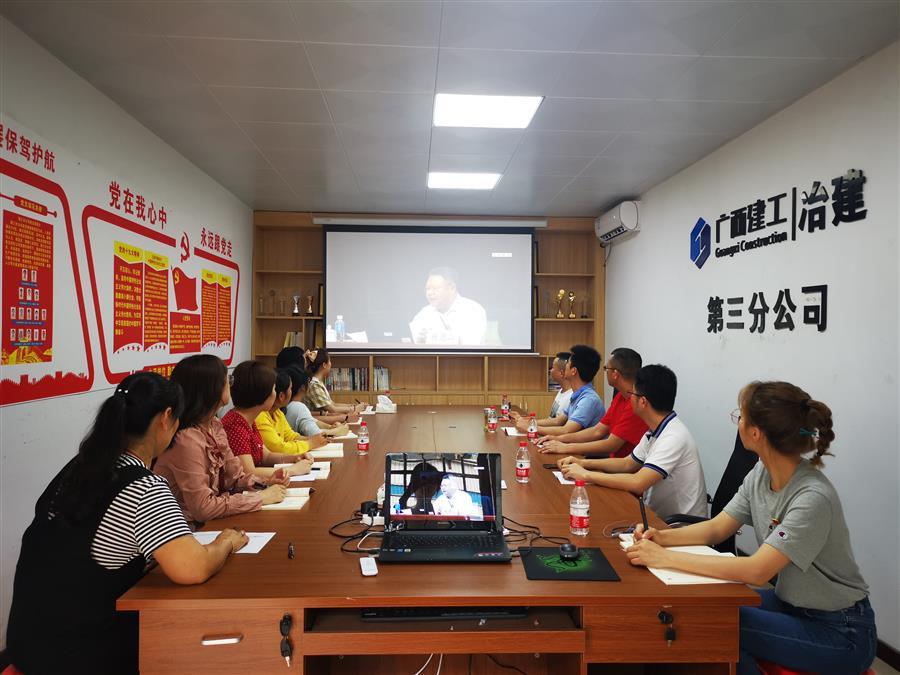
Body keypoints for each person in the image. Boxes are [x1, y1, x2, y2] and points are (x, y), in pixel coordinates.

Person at [626, 381, 876, 675]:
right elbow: (717, 528)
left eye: (740, 416)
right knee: (707, 608)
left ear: (755, 432)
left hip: (841, 631)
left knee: (722, 623)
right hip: (791, 604)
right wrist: (662, 538)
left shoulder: (812, 498)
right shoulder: (761, 472)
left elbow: (757, 571)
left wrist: (664, 558)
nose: (738, 423)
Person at [6, 372, 249, 675]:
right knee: (211, 644)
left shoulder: (78, 468)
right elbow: (193, 568)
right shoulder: (143, 487)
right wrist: (226, 542)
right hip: (84, 654)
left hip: (28, 643)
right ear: (166, 418)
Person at [558, 365, 707, 519]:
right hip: (654, 516)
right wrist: (582, 463)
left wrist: (586, 475)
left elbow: (638, 482)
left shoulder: (673, 437)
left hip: (677, 525)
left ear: (642, 402)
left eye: (632, 394)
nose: (630, 399)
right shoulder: (654, 430)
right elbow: (627, 463)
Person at [154, 355, 288, 525]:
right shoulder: (186, 439)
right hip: (186, 529)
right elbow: (203, 508)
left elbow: (235, 478)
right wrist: (260, 498)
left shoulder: (214, 425)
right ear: (212, 389)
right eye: (227, 380)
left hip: (210, 523)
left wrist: (265, 483)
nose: (230, 384)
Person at [538, 347, 648, 457]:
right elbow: (597, 431)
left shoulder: (635, 403)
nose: (605, 372)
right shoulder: (620, 397)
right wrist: (558, 439)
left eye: (606, 368)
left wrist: (565, 446)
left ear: (615, 374)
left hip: (620, 464)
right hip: (613, 461)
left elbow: (611, 445)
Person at [222, 360, 314, 480]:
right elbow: (248, 472)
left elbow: (266, 456)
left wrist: (294, 458)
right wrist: (292, 470)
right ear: (262, 393)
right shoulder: (235, 425)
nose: (276, 394)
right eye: (274, 389)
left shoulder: (248, 420)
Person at [516, 344, 605, 437]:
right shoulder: (578, 394)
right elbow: (558, 421)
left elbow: (566, 430)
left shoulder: (588, 400)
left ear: (573, 371)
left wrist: (530, 427)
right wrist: (529, 422)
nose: (565, 366)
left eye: (567, 363)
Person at [408, 267, 487, 345]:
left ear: (452, 288)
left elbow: (470, 346)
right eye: (427, 289)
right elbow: (414, 343)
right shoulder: (424, 313)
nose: (430, 293)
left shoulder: (473, 310)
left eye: (435, 288)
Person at [256, 368, 327, 453]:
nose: (292, 392)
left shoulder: (277, 413)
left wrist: (311, 439)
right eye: (290, 388)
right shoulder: (260, 417)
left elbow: (290, 436)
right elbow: (279, 448)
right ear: (281, 396)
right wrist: (310, 443)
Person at [277, 346, 352, 425]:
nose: (306, 365)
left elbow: (306, 415)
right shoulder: (295, 404)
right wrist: (344, 417)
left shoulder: (291, 406)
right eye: (304, 360)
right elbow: (307, 419)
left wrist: (325, 416)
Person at [282, 365, 348, 439]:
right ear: (303, 387)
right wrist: (337, 431)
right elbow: (316, 435)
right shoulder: (297, 407)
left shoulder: (291, 405)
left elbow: (311, 420)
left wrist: (330, 427)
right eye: (309, 382)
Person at [510, 351, 572, 425]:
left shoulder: (571, 396)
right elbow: (551, 420)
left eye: (552, 367)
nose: (550, 370)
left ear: (561, 373)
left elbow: (557, 423)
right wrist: (523, 420)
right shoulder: (562, 390)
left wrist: (528, 423)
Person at [304, 348, 366, 419]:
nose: (331, 364)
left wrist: (353, 406)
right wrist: (354, 409)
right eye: (329, 361)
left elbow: (333, 404)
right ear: (324, 365)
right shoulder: (314, 385)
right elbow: (332, 409)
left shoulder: (318, 382)